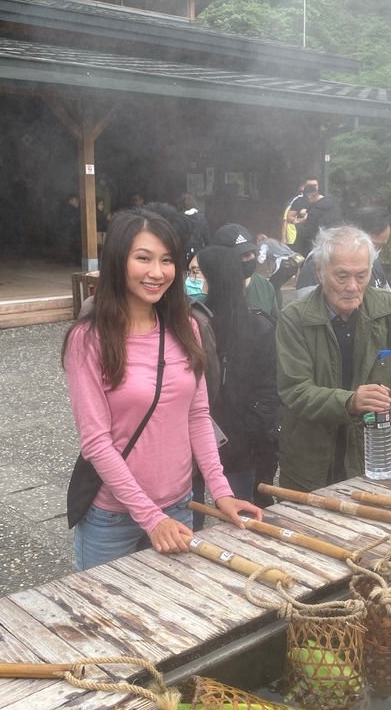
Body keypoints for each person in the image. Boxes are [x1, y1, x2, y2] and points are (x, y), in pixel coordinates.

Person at [62, 209, 261, 570]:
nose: (157, 272)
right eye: (143, 258)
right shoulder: (88, 339)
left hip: (179, 505)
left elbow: (198, 416)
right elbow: (95, 441)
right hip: (112, 516)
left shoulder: (187, 327)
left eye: (167, 260)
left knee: (175, 616)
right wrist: (151, 518)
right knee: (105, 618)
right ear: (117, 262)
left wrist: (221, 492)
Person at [276, 224, 391, 492]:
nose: (352, 287)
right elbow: (295, 390)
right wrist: (351, 401)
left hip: (373, 457)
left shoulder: (390, 310)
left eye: (361, 275)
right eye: (341, 276)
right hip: (309, 462)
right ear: (320, 272)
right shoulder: (295, 319)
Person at [197, 245, 281, 505]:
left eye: (195, 273)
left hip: (243, 442)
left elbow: (270, 390)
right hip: (205, 434)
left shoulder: (256, 326)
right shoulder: (192, 322)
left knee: (244, 509)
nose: (191, 280)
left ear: (212, 278)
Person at [294, 206, 391, 297]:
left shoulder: (373, 263)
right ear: (354, 233)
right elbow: (309, 311)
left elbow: (390, 301)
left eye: (381, 246)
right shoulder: (317, 267)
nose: (376, 251)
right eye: (342, 276)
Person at [211, 223, 279, 320]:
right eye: (240, 256)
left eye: (250, 254)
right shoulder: (211, 289)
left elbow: (275, 325)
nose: (248, 259)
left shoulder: (265, 286)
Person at [294, 182, 344, 257]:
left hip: (319, 247)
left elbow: (309, 232)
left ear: (309, 196)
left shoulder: (315, 211)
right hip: (336, 242)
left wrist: (299, 225)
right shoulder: (334, 203)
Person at [282, 177, 317, 248]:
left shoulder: (320, 201)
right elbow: (286, 219)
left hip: (312, 239)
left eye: (315, 185)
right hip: (294, 238)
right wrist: (283, 238)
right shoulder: (295, 201)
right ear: (302, 187)